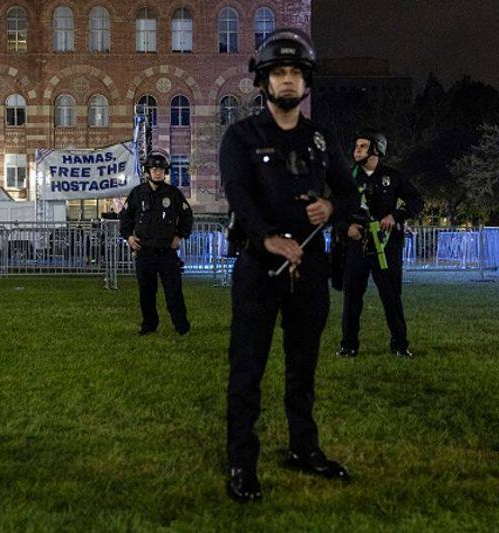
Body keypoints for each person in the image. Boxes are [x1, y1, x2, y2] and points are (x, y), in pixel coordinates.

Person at [219, 28, 359, 502]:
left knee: (303, 367)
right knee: (248, 368)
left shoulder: (321, 139)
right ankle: (242, 460)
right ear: (263, 81)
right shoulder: (240, 136)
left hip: (311, 267)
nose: (287, 81)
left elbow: (349, 192)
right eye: (279, 72)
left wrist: (332, 210)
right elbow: (237, 194)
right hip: (260, 267)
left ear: (306, 82)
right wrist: (267, 239)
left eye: (295, 73)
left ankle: (305, 448)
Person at [335, 130, 423, 358]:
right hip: (357, 245)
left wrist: (395, 216)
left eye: (363, 146)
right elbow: (334, 209)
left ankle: (400, 345)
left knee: (391, 296)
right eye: (356, 146)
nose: (357, 150)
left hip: (387, 246)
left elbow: (416, 201)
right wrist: (346, 228)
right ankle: (348, 345)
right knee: (352, 297)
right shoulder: (348, 178)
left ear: (376, 150)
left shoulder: (394, 177)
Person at [119, 148, 193, 336]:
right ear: (148, 172)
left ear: (165, 172)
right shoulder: (137, 193)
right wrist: (128, 236)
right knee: (146, 292)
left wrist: (180, 236)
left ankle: (181, 327)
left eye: (161, 170)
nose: (158, 172)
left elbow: (187, 216)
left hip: (167, 252)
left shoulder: (173, 194)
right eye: (154, 169)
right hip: (144, 252)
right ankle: (149, 326)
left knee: (174, 292)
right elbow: (125, 218)